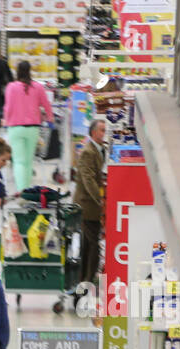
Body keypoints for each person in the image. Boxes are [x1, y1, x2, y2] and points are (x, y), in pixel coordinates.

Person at [3, 60, 55, 192]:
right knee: (28, 162)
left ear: (17, 71)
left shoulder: (11, 87)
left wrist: (6, 121)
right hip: (33, 128)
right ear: (29, 71)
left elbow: (8, 107)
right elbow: (46, 105)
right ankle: (26, 190)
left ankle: (21, 191)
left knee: (19, 162)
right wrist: (50, 119)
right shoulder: (38, 87)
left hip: (15, 128)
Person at [73, 119, 107, 291]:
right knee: (92, 244)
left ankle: (84, 281)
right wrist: (100, 200)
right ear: (93, 132)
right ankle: (88, 280)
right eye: (101, 130)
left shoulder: (100, 150)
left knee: (88, 245)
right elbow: (88, 179)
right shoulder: (88, 151)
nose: (104, 133)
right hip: (87, 206)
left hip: (91, 207)